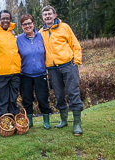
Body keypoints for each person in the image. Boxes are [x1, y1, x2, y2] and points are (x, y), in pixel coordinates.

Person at [39, 5, 83, 136]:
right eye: (45, 14)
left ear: (55, 15)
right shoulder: (41, 32)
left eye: (49, 14)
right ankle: (64, 120)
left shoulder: (65, 27)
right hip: (52, 69)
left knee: (73, 93)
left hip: (68, 66)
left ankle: (77, 123)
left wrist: (76, 62)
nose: (47, 16)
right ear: (43, 17)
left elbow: (75, 44)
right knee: (59, 95)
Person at [17, 14, 52, 129]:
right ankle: (29, 120)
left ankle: (46, 120)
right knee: (27, 98)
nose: (27, 26)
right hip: (25, 74)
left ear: (33, 23)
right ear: (21, 26)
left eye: (29, 23)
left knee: (42, 97)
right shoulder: (18, 39)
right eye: (24, 24)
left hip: (40, 73)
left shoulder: (41, 36)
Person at [0, 10, 21, 123]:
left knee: (13, 99)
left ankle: (13, 123)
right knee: (2, 100)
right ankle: (3, 124)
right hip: (0, 73)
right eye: (3, 18)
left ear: (10, 20)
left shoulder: (12, 34)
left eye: (7, 18)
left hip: (15, 72)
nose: (5, 20)